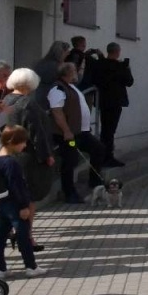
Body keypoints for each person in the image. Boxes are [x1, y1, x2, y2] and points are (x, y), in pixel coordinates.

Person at [48, 62, 107, 203]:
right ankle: (69, 193)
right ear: (67, 73)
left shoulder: (71, 86)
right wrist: (66, 131)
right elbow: (57, 112)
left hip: (81, 132)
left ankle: (95, 181)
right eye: (75, 70)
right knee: (70, 160)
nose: (78, 72)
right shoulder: (57, 89)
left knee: (98, 149)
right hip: (68, 134)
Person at [0, 127, 42, 278]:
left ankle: (0, 269)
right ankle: (31, 266)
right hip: (15, 205)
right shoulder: (12, 163)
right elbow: (17, 186)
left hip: (0, 205)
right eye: (22, 142)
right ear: (13, 142)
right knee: (23, 236)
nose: (24, 146)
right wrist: (24, 206)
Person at [1, 68, 56, 208]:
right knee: (28, 195)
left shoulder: (5, 100)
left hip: (6, 151)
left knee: (11, 193)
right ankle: (26, 229)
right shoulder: (28, 103)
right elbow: (36, 132)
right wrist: (46, 155)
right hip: (27, 154)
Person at [89, 43, 134, 166]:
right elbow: (129, 82)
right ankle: (108, 157)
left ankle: (103, 155)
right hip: (116, 101)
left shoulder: (99, 65)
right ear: (117, 52)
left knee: (105, 129)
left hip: (103, 101)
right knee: (110, 131)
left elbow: (95, 79)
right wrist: (128, 69)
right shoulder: (120, 66)